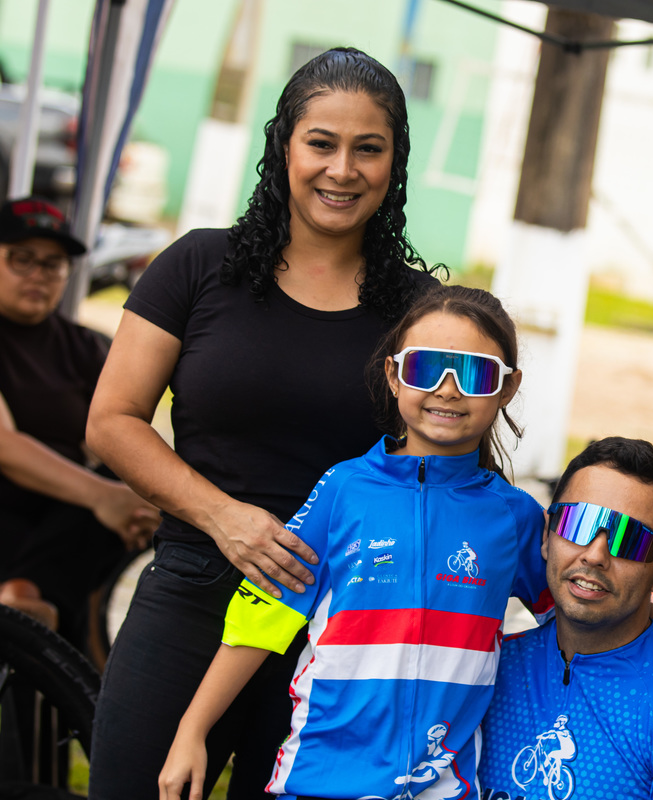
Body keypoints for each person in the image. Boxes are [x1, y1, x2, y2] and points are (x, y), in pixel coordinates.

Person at [86, 47, 441, 799]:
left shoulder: (422, 313)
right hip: (194, 586)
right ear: (284, 146)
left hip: (346, 616)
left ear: (395, 163)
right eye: (322, 143)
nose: (342, 170)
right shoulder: (197, 266)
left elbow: (444, 467)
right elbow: (112, 422)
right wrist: (224, 518)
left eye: (368, 149)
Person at [158, 285, 553, 800]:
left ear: (507, 387)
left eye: (474, 374)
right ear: (393, 375)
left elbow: (578, 618)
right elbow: (264, 614)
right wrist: (192, 730)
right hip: (318, 780)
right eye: (426, 368)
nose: (448, 389)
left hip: (443, 788)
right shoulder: (343, 489)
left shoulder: (516, 516)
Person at [478, 437, 653, 800]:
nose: (594, 555)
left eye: (630, 539)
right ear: (547, 533)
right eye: (577, 523)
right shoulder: (485, 665)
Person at [0, 196, 157, 647]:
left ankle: (29, 596)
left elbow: (121, 433)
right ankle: (31, 601)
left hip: (65, 517)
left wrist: (133, 500)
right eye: (22, 259)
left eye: (53, 264)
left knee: (129, 479)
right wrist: (104, 497)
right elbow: (5, 446)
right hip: (15, 506)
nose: (38, 274)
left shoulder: (85, 346)